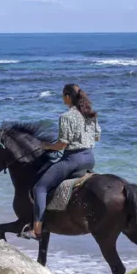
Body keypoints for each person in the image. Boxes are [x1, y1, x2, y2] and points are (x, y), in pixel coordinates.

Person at [31, 83, 101, 237]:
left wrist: (46, 146)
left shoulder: (66, 117)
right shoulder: (90, 114)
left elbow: (61, 145)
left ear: (68, 97)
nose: (63, 99)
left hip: (73, 160)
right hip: (89, 159)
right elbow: (97, 137)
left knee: (40, 188)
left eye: (63, 96)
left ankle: (36, 229)